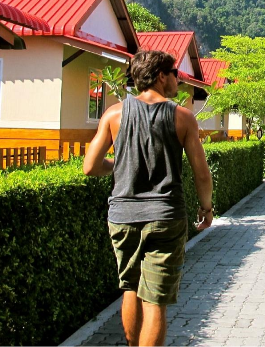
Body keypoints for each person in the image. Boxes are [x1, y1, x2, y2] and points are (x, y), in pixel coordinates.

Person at [83, 50, 214, 347]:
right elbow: (202, 174)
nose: (178, 80)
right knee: (155, 301)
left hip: (122, 216)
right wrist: (207, 208)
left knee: (130, 288)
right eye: (175, 74)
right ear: (160, 76)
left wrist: (119, 166)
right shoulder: (182, 117)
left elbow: (90, 166)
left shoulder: (114, 114)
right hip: (165, 217)